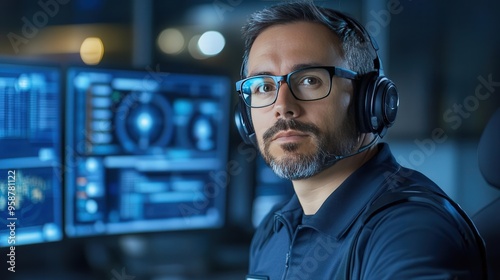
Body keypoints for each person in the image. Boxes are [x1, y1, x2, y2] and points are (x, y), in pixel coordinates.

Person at [234, 1, 487, 279]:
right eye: (263, 86)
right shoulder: (274, 228)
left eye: (309, 81)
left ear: (370, 102)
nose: (282, 105)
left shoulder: (410, 230)